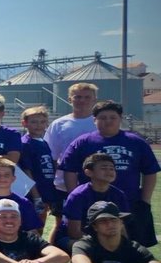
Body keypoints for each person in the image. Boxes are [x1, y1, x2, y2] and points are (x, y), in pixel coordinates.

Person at [59, 100, 159, 246]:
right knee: (92, 245)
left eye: (113, 117)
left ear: (120, 119)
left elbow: (150, 171)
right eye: (103, 118)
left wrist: (145, 200)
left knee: (131, 246)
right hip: (92, 204)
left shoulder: (136, 142)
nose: (108, 121)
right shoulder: (83, 142)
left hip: (130, 201)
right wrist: (75, 195)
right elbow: (69, 171)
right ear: (94, 120)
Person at [44, 82, 97, 199]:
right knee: (64, 217)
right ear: (69, 99)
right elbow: (51, 157)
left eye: (87, 97)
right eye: (78, 97)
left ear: (94, 100)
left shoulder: (100, 123)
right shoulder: (58, 124)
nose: (82, 100)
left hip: (97, 182)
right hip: (63, 184)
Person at [62, 153, 128, 245]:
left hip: (106, 237)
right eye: (104, 168)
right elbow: (74, 232)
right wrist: (101, 244)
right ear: (88, 172)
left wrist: (126, 245)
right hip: (79, 239)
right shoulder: (78, 196)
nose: (109, 171)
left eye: (112, 169)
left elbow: (121, 226)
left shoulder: (119, 195)